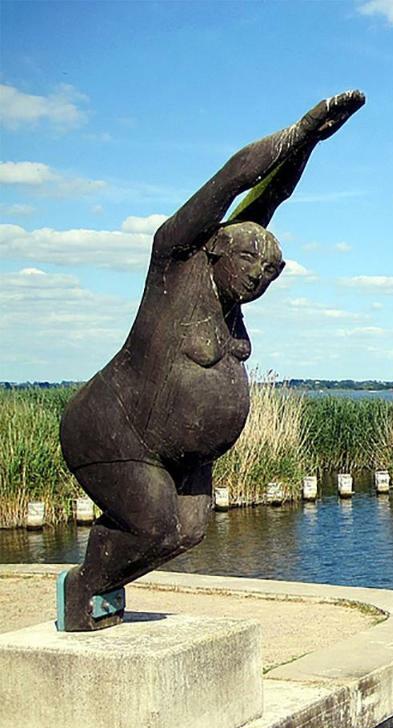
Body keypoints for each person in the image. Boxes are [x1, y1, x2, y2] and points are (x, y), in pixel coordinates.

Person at [56, 91, 365, 631]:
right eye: (249, 261)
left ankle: (100, 585)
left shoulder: (231, 294)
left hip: (180, 452)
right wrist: (299, 130)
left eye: (270, 272)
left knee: (190, 530)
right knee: (155, 526)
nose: (257, 275)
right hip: (117, 429)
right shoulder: (176, 261)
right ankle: (83, 585)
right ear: (220, 250)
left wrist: (310, 148)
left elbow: (275, 196)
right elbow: (234, 181)